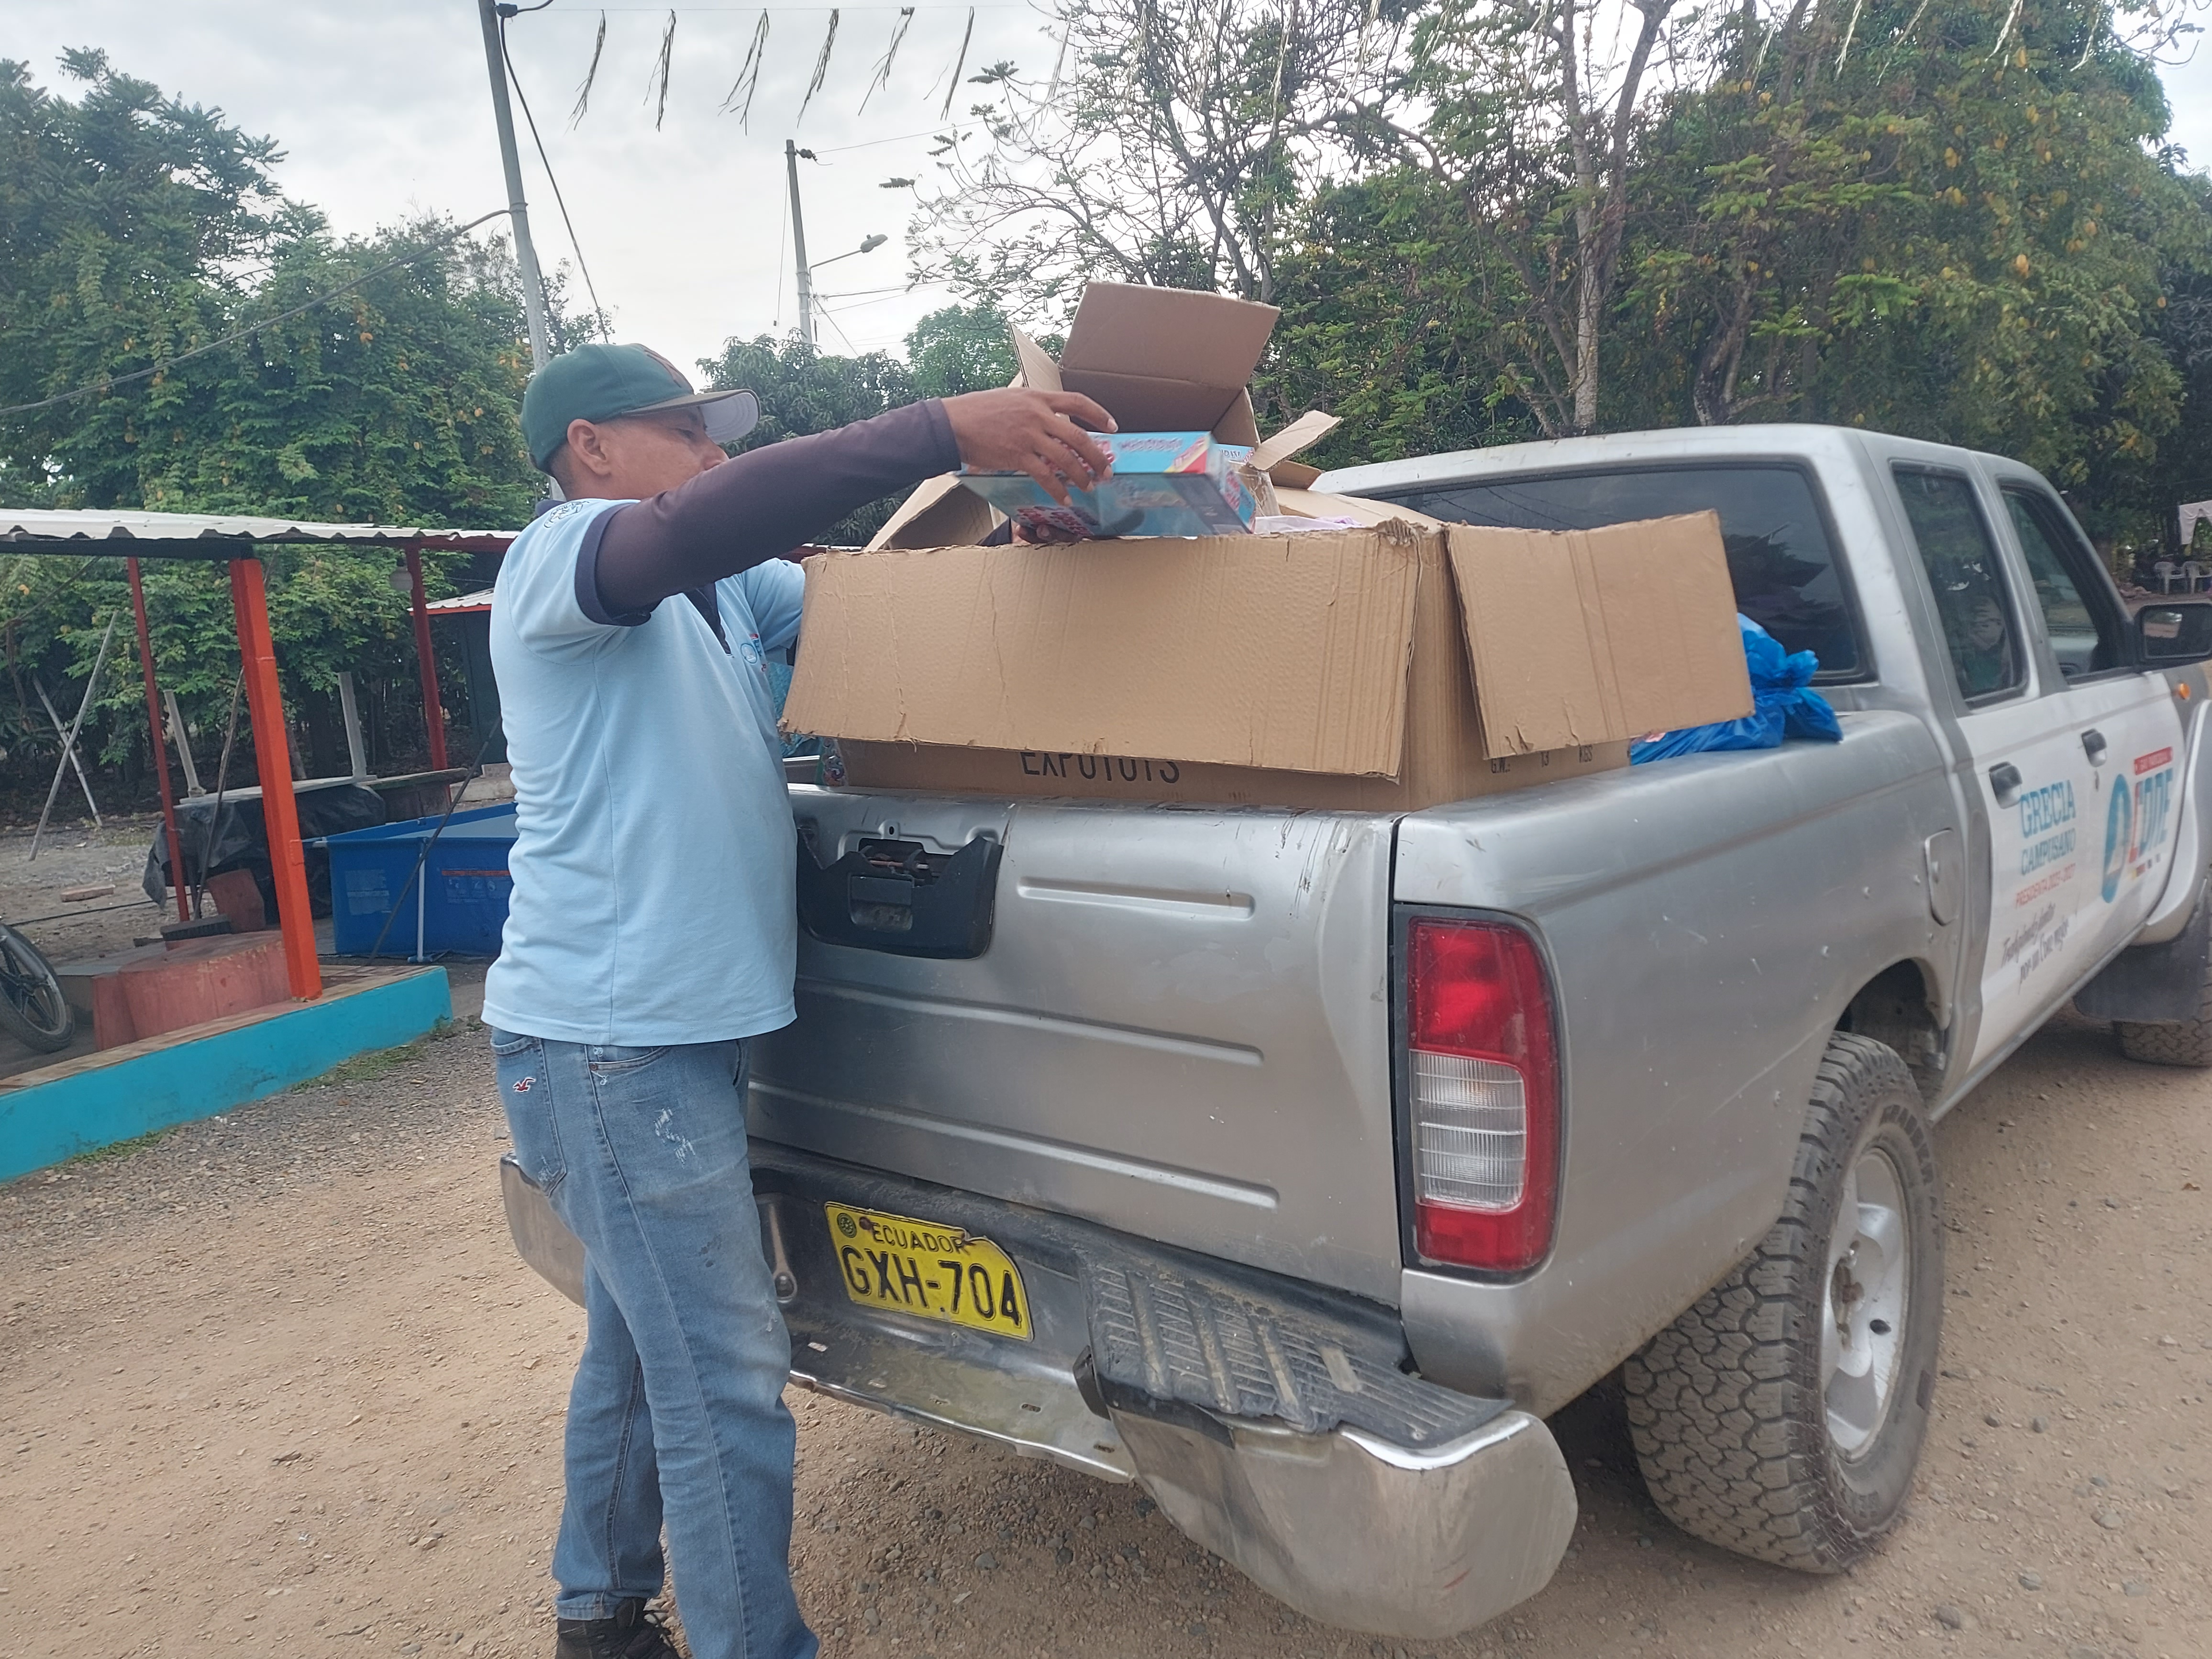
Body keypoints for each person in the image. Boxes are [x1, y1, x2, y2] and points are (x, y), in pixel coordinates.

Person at [485, 341, 1114, 1659]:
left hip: (672, 1037)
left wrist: (1019, 544)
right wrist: (943, 428)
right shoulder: (561, 560)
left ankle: (598, 1608)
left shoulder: (724, 592)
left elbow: (878, 610)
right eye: (684, 429)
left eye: (716, 433)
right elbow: (700, 519)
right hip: (610, 1045)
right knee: (722, 1379)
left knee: (640, 1341)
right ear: (589, 446)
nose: (711, 452)